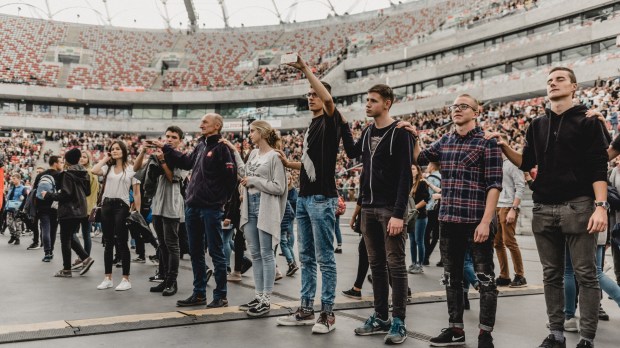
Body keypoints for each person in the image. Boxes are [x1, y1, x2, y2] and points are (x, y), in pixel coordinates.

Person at [489, 67, 608, 348]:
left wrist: (600, 206)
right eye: (549, 81)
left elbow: (598, 165)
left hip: (578, 206)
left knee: (586, 274)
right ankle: (556, 334)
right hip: (543, 207)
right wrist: (506, 147)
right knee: (551, 275)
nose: (553, 84)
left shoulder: (589, 121)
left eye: (560, 79)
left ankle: (587, 338)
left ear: (574, 87)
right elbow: (527, 162)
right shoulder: (537, 124)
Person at [415, 94, 503, 348]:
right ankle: (456, 330)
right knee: (451, 278)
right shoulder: (445, 141)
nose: (457, 110)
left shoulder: (487, 142)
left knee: (485, 279)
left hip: (477, 221)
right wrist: (411, 135)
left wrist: (486, 222)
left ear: (477, 111)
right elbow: (419, 158)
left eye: (463, 106)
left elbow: (494, 185)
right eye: (454, 106)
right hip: (448, 220)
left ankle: (485, 334)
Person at [275, 55, 353, 333]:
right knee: (306, 257)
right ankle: (307, 309)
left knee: (325, 259)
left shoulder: (331, 120)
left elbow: (329, 102)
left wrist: (306, 69)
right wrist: (289, 164)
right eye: (307, 94)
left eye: (314, 94)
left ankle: (328, 314)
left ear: (324, 96)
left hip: (322, 198)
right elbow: (312, 164)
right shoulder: (312, 125)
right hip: (306, 198)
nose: (310, 97)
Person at [342, 84, 413, 345]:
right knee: (376, 265)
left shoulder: (400, 132)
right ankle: (381, 316)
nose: (367, 104)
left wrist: (398, 213)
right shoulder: (369, 130)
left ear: (388, 103)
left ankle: (399, 321)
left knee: (395, 264)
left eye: (373, 100)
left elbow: (407, 175)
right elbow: (352, 154)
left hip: (389, 209)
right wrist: (341, 124)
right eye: (367, 100)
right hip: (370, 208)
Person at [163, 113, 237, 308]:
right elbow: (186, 162)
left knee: (216, 252)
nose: (200, 124)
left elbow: (231, 179)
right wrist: (168, 150)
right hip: (193, 206)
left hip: (211, 209)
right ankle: (199, 294)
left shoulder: (222, 148)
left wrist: (222, 202)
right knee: (196, 252)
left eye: (205, 121)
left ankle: (220, 295)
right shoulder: (201, 145)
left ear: (217, 125)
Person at [223, 120, 287, 317]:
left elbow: (279, 187)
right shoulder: (252, 154)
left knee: (267, 254)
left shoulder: (274, 156)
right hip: (249, 206)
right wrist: (234, 151)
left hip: (265, 207)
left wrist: (255, 181)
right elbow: (244, 174)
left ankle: (266, 299)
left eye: (252, 131)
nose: (250, 134)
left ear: (262, 132)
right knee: (256, 254)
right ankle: (259, 296)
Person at [137, 126, 188, 297]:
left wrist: (164, 162)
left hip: (172, 204)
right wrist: (144, 153)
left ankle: (172, 282)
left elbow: (173, 178)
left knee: (172, 244)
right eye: (167, 136)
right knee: (162, 244)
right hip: (158, 204)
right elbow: (138, 171)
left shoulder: (183, 158)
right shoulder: (159, 155)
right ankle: (165, 279)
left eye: (174, 137)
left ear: (180, 140)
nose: (170, 139)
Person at [92, 140, 142, 291]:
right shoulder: (108, 167)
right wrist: (106, 158)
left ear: (124, 151)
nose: (114, 151)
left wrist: (137, 212)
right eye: (112, 149)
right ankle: (108, 278)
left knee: (122, 242)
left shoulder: (132, 169)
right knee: (108, 242)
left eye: (117, 149)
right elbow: (94, 170)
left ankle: (126, 279)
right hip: (107, 205)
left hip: (122, 206)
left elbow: (137, 193)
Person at [41, 148, 95, 278]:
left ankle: (67, 270)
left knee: (65, 239)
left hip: (69, 210)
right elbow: (87, 192)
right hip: (81, 209)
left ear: (67, 160)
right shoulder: (85, 173)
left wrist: (48, 195)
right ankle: (85, 258)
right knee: (69, 236)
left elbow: (65, 195)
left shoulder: (67, 174)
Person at [494, 148, 527, 288]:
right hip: (497, 205)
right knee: (497, 243)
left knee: (509, 242)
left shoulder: (513, 163)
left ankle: (520, 275)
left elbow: (520, 186)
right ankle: (504, 275)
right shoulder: (498, 164)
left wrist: (514, 209)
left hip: (508, 206)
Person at [34, 155, 63, 262]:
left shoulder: (41, 175)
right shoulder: (60, 175)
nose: (62, 164)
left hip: (42, 206)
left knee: (45, 228)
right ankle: (51, 251)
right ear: (55, 163)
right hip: (54, 205)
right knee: (53, 229)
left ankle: (47, 252)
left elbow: (34, 190)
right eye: (60, 162)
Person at [408, 164, 430, 274]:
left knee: (419, 240)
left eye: (413, 169)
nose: (411, 171)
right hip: (410, 216)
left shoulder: (422, 183)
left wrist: (414, 208)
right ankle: (413, 263)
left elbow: (426, 199)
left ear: (418, 171)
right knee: (412, 241)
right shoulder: (407, 183)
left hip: (420, 216)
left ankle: (420, 264)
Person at [423, 163, 442, 266]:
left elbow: (430, 195)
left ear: (433, 166)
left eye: (428, 165)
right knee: (436, 234)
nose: (427, 167)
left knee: (426, 233)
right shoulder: (442, 176)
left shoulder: (430, 178)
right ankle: (431, 257)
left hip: (431, 208)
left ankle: (426, 256)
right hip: (440, 208)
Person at [6, 173, 28, 245]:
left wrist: (21, 208)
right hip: (10, 207)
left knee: (17, 224)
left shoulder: (23, 188)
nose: (13, 180)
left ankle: (17, 238)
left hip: (17, 208)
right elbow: (8, 196)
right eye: (12, 178)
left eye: (14, 178)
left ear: (19, 179)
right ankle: (13, 235)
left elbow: (24, 199)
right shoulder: (11, 187)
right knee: (9, 223)